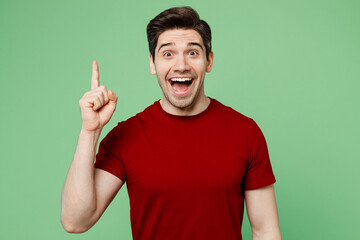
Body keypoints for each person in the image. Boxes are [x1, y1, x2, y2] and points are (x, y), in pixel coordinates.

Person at [61, 6, 281, 240]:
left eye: (193, 53)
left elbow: (265, 230)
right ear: (153, 64)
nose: (181, 65)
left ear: (209, 61)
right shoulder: (126, 135)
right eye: (168, 53)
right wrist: (90, 132)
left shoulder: (245, 133)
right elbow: (76, 221)